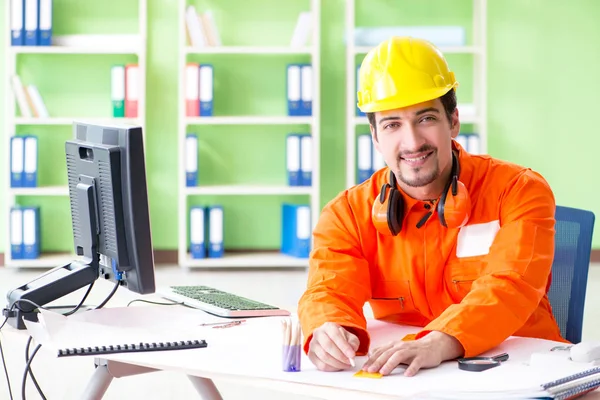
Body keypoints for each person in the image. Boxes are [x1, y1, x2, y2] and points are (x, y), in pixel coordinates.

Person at [297, 36, 566, 378]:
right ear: (375, 136)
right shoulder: (347, 214)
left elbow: (510, 285)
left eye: (425, 118)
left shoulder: (518, 190)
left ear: (453, 120)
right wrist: (326, 328)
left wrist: (438, 341)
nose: (412, 142)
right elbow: (327, 289)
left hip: (519, 373)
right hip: (409, 376)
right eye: (392, 124)